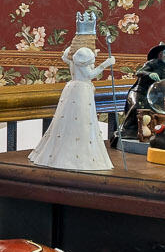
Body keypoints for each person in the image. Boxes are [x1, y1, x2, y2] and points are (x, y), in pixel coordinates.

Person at [32, 44, 116, 172]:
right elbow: (90, 74)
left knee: (73, 119)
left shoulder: (73, 58)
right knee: (82, 119)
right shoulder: (82, 57)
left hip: (73, 89)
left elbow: (68, 59)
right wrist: (106, 64)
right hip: (81, 92)